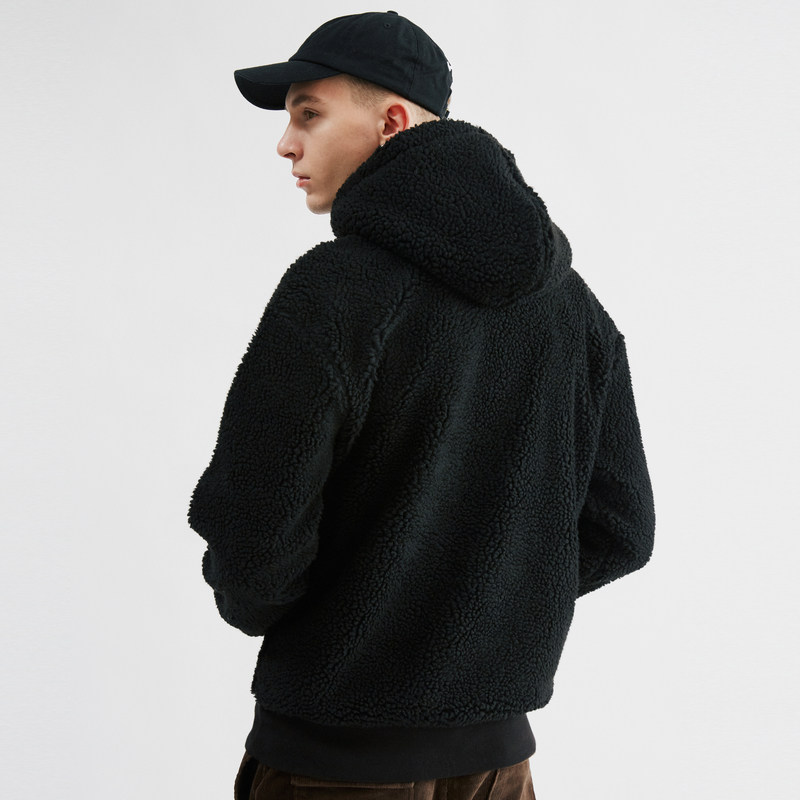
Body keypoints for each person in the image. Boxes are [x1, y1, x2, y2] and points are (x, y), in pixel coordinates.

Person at [188, 10, 656, 799]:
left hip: (332, 763)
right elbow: (623, 528)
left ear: (392, 123)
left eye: (309, 114)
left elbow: (254, 545)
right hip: (498, 767)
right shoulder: (572, 308)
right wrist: (491, 600)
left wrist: (356, 613)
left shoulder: (332, 292)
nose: (286, 144)